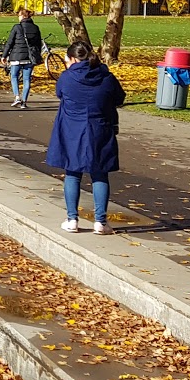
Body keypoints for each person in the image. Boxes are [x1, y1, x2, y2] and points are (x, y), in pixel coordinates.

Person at [47, 40, 126, 235]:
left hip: (72, 129)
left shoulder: (66, 78)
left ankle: (72, 218)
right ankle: (100, 221)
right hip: (99, 128)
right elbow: (119, 98)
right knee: (100, 173)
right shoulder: (106, 77)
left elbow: (60, 94)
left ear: (73, 59)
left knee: (72, 173)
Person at [0, 8, 45, 108]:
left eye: (19, 15)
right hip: (29, 57)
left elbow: (10, 42)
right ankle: (24, 101)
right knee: (26, 79)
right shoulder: (35, 28)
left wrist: (4, 55)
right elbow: (38, 44)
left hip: (17, 56)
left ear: (23, 16)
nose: (18, 17)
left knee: (14, 76)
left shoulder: (17, 27)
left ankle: (17, 96)